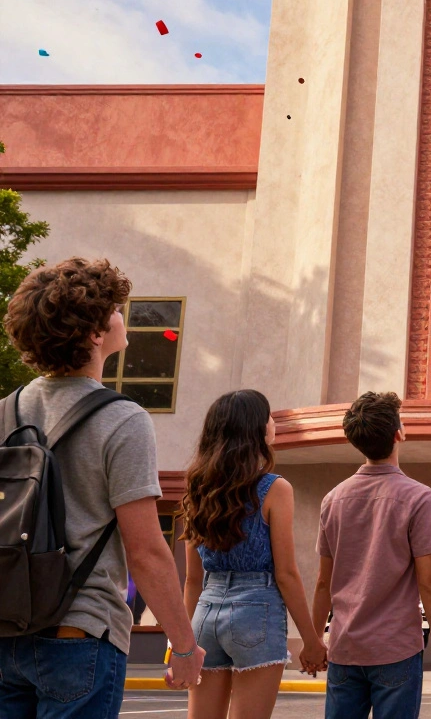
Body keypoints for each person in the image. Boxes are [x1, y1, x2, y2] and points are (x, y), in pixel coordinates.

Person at [0, 258, 205, 717]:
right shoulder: (122, 419)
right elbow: (147, 551)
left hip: (5, 630)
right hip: (80, 635)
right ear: (95, 334)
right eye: (114, 309)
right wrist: (185, 646)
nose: (121, 315)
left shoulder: (4, 412)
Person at [180, 390, 328, 719]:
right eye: (269, 417)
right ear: (256, 430)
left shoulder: (197, 486)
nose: (273, 423)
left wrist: (184, 643)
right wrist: (311, 640)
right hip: (256, 612)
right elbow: (286, 574)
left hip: (206, 610)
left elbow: (192, 579)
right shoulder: (274, 488)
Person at [311, 391, 431, 719]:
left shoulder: (333, 499)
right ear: (398, 433)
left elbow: (323, 583)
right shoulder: (420, 498)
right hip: (396, 648)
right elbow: (429, 582)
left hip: (344, 645)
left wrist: (315, 638)